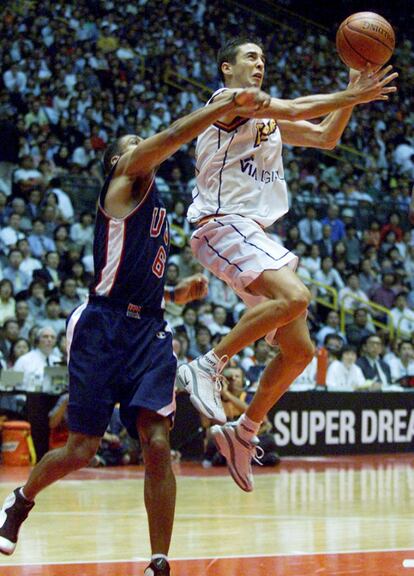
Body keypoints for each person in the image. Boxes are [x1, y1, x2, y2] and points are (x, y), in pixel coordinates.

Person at [0, 86, 271, 576]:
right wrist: (226, 106)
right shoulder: (124, 179)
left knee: (158, 443)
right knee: (80, 449)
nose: (142, 145)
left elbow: (131, 271)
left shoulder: (155, 202)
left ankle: (159, 561)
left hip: (148, 329)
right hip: (100, 327)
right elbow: (170, 136)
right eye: (132, 143)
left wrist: (175, 295)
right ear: (117, 162)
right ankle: (20, 501)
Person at [176, 36, 397, 492]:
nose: (259, 63)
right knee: (297, 295)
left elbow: (325, 136)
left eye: (263, 58)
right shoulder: (228, 102)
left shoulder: (267, 121)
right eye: (250, 57)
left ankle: (244, 432)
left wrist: (351, 90)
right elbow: (296, 108)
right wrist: (351, 93)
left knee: (298, 350)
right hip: (221, 222)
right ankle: (207, 364)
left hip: (250, 233)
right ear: (226, 68)